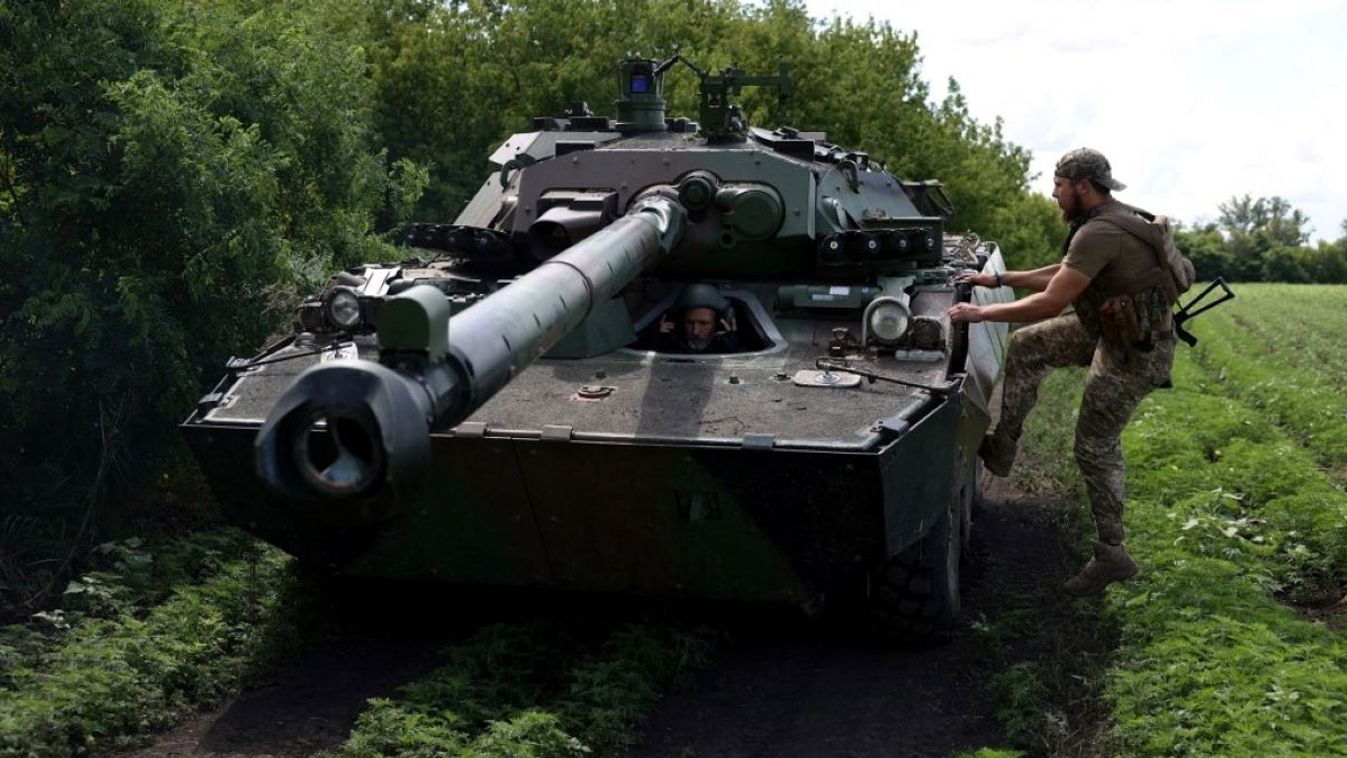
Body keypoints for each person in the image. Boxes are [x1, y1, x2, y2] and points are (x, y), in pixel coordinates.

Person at [947, 147, 1177, 596]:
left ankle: (1113, 553)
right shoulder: (1110, 221)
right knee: (1031, 345)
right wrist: (997, 280)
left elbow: (1052, 301)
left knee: (1094, 447)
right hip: (1107, 331)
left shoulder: (1101, 231)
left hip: (1133, 352)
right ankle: (1004, 448)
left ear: (1082, 187)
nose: (1054, 194)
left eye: (1059, 185)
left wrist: (980, 315)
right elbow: (1065, 272)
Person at [655, 283, 738, 354]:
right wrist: (661, 344)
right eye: (690, 323)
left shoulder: (732, 347)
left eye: (704, 323)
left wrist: (729, 349)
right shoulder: (671, 343)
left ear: (718, 323)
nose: (695, 331)